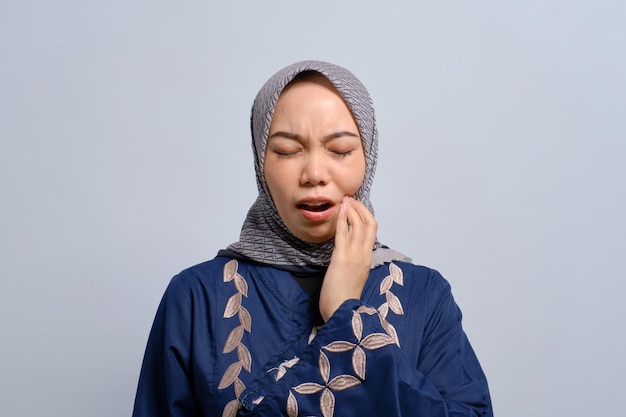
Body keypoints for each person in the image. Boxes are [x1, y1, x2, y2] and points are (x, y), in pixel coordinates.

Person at [132, 60, 493, 417]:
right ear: (261, 161)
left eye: (340, 150)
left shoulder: (423, 295)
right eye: (287, 151)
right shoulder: (197, 296)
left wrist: (346, 315)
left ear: (368, 156)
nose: (314, 174)